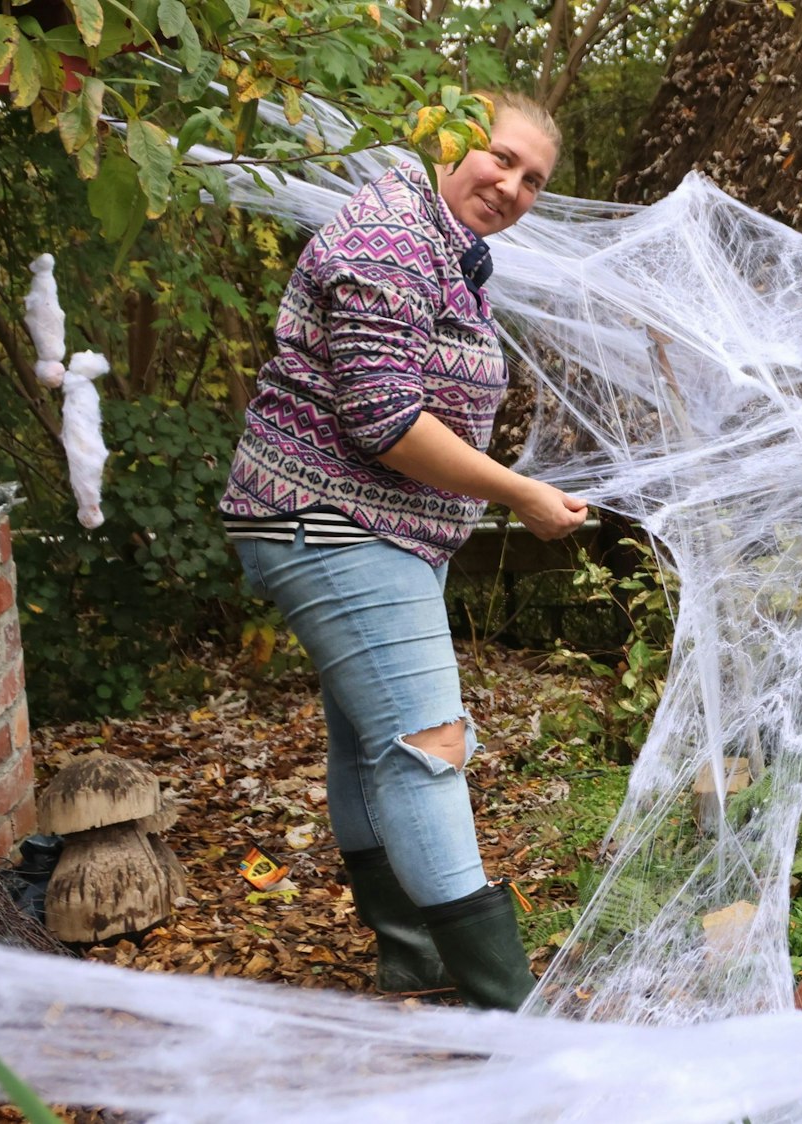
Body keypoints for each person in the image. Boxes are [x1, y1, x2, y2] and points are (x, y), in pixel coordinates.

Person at [218, 91, 584, 1008]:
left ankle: (413, 953)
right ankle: (506, 1005)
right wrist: (518, 493)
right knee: (429, 746)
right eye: (499, 158)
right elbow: (384, 419)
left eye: (532, 179)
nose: (511, 186)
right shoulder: (389, 233)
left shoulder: (447, 245)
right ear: (453, 141)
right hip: (336, 518)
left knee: (369, 744)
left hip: (354, 522)